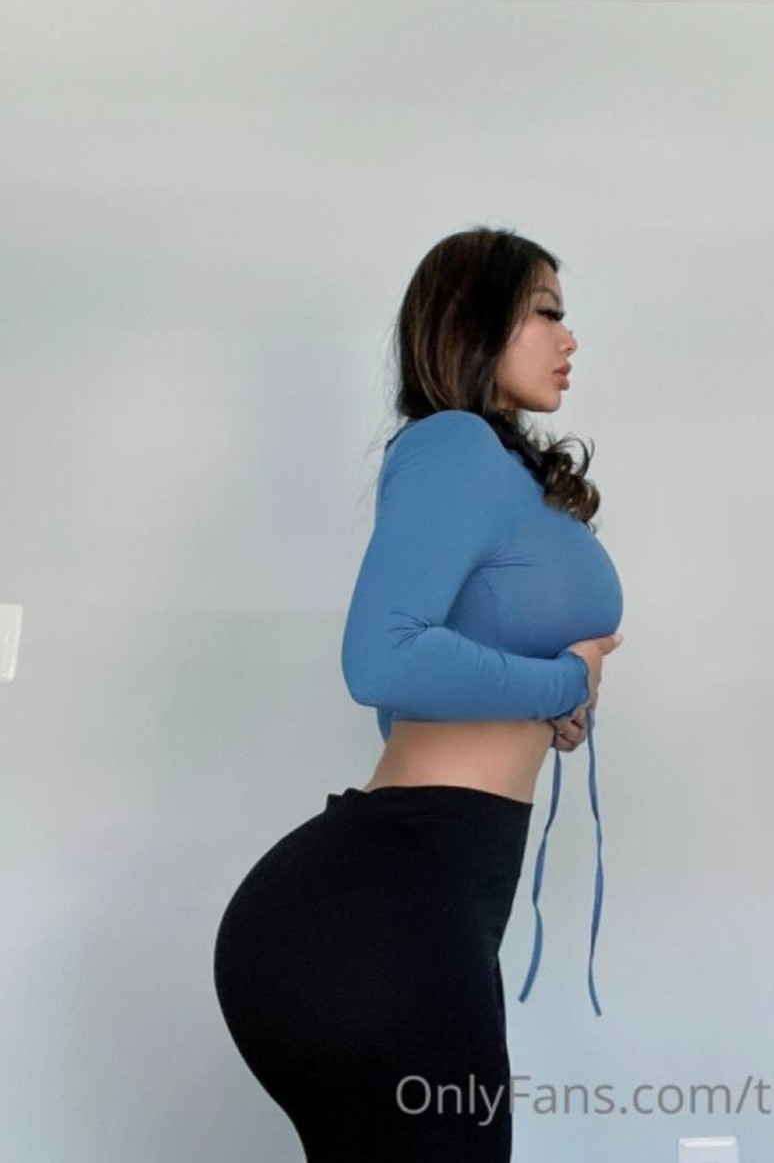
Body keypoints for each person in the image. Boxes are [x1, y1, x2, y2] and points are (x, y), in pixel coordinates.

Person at [212, 225, 624, 1162]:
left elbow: (425, 676)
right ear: (475, 322)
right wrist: (564, 680)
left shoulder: (501, 473)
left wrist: (550, 709)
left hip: (428, 896)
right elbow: (383, 662)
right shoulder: (452, 445)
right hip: (385, 904)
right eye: (547, 312)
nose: (570, 338)